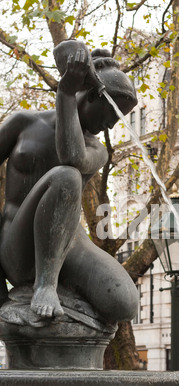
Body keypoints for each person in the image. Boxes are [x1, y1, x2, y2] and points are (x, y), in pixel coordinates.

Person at [0, 40, 138, 324]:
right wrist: (65, 91)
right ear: (90, 95)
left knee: (124, 303)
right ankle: (44, 286)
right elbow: (68, 166)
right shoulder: (24, 123)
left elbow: (71, 155)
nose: (111, 125)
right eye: (111, 113)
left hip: (68, 244)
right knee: (65, 178)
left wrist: (65, 94)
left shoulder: (97, 150)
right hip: (19, 248)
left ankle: (65, 296)